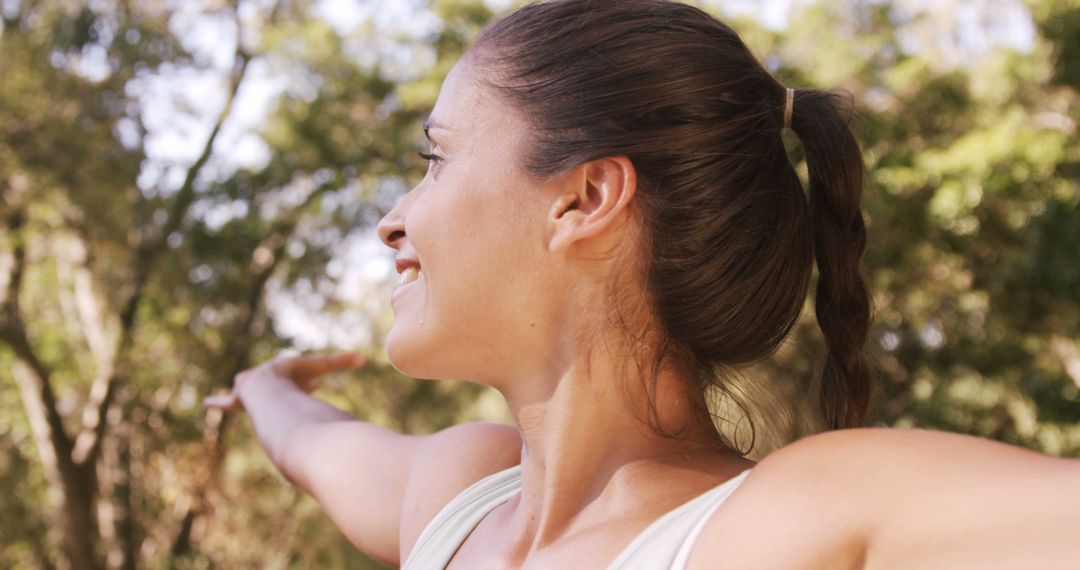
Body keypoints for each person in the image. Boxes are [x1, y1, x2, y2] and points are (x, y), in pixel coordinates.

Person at [203, 0, 1080, 568]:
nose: (392, 218)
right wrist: (265, 388)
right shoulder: (454, 501)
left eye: (436, 159)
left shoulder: (778, 524)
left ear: (583, 199)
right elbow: (311, 442)